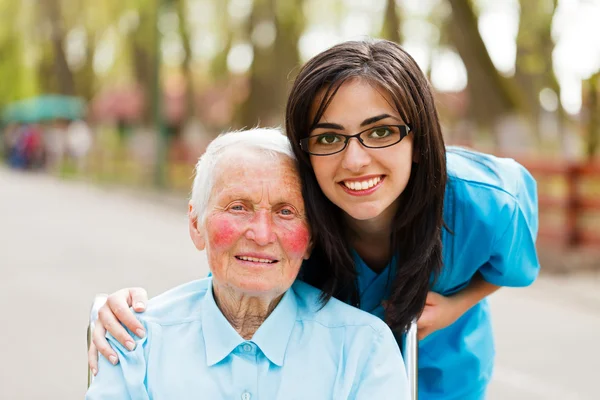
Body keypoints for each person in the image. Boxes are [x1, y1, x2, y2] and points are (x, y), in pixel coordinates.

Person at [89, 39, 539, 400]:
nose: (356, 160)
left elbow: (512, 268)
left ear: (419, 139)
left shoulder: (489, 201)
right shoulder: (300, 209)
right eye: (328, 137)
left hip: (445, 361)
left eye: (381, 131)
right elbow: (238, 267)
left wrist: (458, 304)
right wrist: (124, 314)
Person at [85, 128, 409, 399]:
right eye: (239, 207)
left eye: (285, 211)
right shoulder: (136, 340)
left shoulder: (363, 349)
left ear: (310, 239)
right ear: (196, 225)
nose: (262, 234)